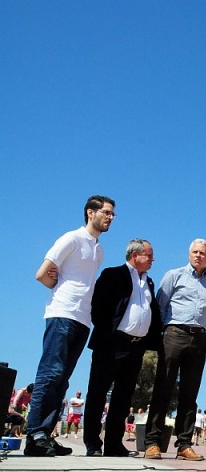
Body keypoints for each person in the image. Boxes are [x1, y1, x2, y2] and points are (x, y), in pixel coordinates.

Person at [25, 195, 115, 457]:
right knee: (50, 374)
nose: (110, 218)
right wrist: (62, 291)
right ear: (91, 212)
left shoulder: (98, 249)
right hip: (62, 314)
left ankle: (47, 434)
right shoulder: (71, 239)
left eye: (112, 214)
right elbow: (42, 273)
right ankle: (35, 436)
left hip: (82, 320)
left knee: (62, 380)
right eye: (106, 213)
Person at [83, 239, 161, 457]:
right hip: (112, 344)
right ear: (135, 255)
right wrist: (108, 333)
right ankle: (92, 442)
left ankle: (114, 444)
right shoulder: (112, 274)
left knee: (123, 397)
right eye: (149, 255)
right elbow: (98, 307)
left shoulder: (149, 283)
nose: (153, 259)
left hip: (136, 347)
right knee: (98, 393)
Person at [144, 238, 206, 461]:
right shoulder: (174, 275)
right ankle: (152, 442)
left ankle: (184, 444)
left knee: (190, 393)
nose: (198, 255)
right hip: (174, 333)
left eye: (202, 253)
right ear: (189, 254)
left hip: (198, 337)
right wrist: (160, 336)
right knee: (163, 388)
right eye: (194, 252)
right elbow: (159, 307)